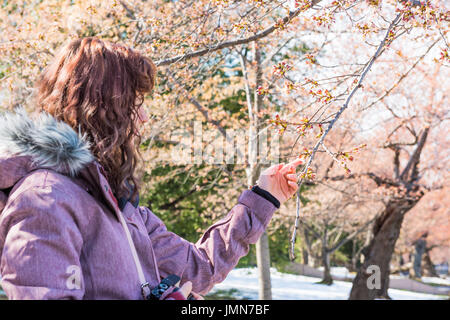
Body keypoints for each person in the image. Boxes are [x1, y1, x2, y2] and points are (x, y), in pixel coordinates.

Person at [0, 37, 301, 300]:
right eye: (134, 104)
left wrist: (263, 197)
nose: (144, 117)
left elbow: (199, 269)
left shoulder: (121, 207)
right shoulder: (45, 200)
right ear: (101, 110)